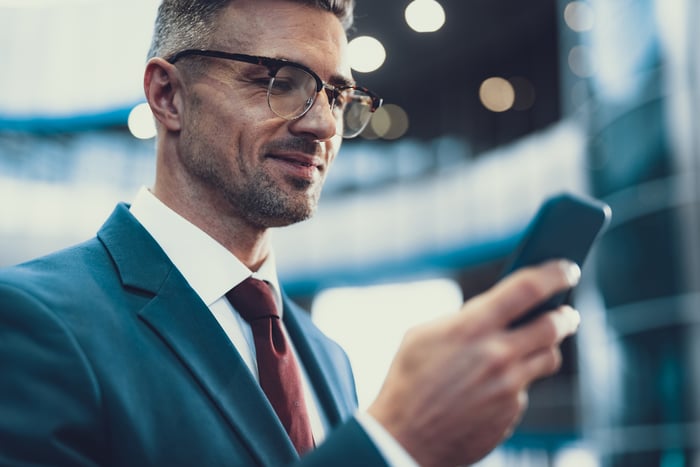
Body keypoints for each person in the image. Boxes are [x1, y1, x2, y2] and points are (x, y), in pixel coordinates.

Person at [0, 0, 582, 465]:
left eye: (336, 93)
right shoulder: (34, 324)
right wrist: (388, 445)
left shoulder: (328, 358)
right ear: (167, 95)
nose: (325, 124)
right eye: (280, 80)